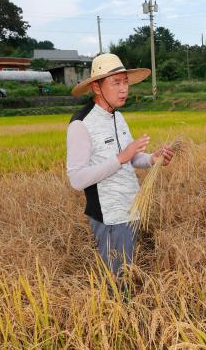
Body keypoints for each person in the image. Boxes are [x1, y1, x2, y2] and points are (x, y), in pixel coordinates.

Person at [66, 53, 174, 281]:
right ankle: (119, 315)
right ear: (96, 87)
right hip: (109, 217)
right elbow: (76, 179)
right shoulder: (81, 124)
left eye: (125, 82)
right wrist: (121, 158)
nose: (124, 89)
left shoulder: (118, 116)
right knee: (118, 280)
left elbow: (133, 158)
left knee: (126, 271)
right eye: (116, 83)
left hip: (131, 209)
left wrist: (153, 159)